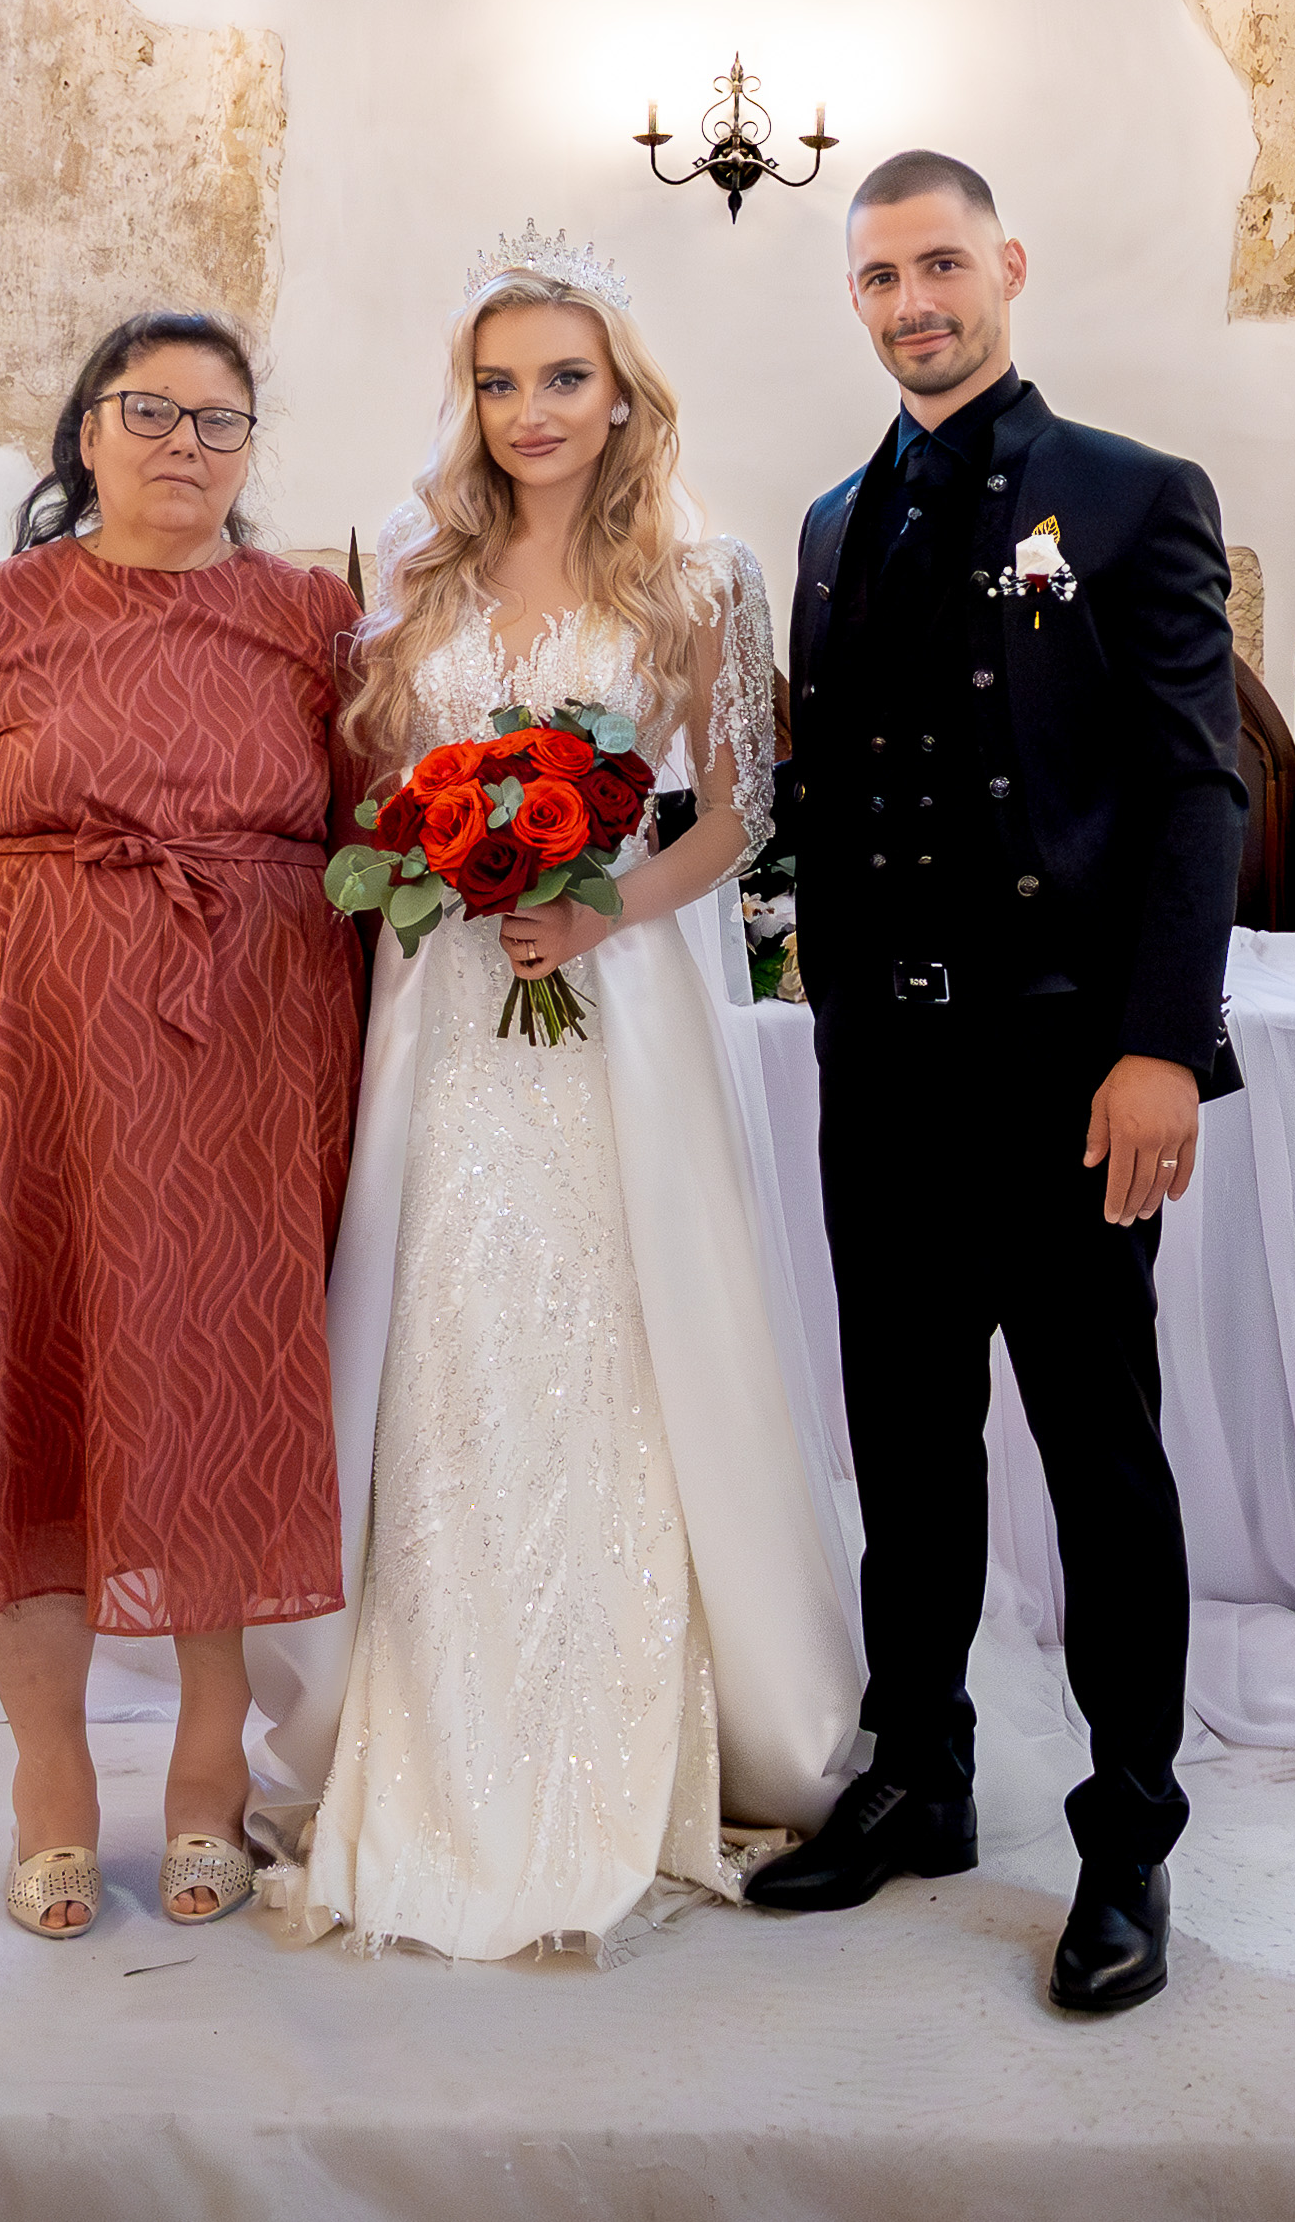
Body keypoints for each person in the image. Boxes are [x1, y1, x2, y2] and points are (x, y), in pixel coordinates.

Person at [249, 226, 865, 1961]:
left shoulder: (703, 577)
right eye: (501, 381)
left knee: (618, 1319)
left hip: (618, 994)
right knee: (448, 1325)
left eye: (566, 378)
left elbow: (740, 815)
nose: (533, 411)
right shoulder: (413, 569)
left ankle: (640, 1704)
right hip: (446, 1001)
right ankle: (431, 1702)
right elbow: (377, 791)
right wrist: (442, 863)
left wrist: (603, 907)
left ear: (620, 393)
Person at [742, 152, 1245, 2016]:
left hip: (1063, 1064)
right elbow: (825, 795)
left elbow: (1198, 786)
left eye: (941, 265)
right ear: (856, 299)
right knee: (905, 1442)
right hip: (882, 1069)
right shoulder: (826, 525)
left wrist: (1160, 1046)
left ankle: (1129, 1837)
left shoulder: (1128, 494)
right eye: (882, 278)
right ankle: (922, 1774)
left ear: (1007, 266)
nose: (914, 304)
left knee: (1101, 1459)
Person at [0, 310, 366, 1941]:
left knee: (226, 1401)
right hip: (37, 1078)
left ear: (249, 449)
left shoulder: (310, 617)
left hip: (258, 1070)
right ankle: (52, 1780)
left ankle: (210, 1765)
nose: (184, 445)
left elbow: (371, 854)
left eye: (220, 421)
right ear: (87, 433)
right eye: (151, 411)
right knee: (38, 1400)